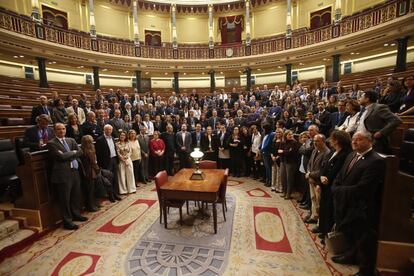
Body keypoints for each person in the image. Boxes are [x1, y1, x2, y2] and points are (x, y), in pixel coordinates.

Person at [331, 131, 386, 276]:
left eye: (359, 139)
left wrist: (338, 190)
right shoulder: (351, 155)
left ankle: (366, 270)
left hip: (362, 207)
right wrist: (335, 186)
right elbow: (340, 175)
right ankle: (350, 255)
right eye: (353, 139)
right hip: (347, 202)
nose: (354, 142)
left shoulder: (375, 161)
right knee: (350, 234)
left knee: (364, 240)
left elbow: (363, 188)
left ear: (369, 142)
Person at [47, 123, 87, 230]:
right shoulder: (51, 143)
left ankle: (76, 214)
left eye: (63, 129)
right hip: (62, 174)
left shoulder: (71, 140)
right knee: (65, 199)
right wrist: (73, 152)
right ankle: (67, 221)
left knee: (75, 195)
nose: (62, 131)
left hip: (74, 171)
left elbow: (81, 152)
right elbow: (60, 157)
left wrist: (69, 154)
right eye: (59, 129)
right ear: (54, 131)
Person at [317, 130, 352, 243]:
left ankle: (328, 234)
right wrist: (321, 176)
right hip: (324, 184)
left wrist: (327, 179)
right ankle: (322, 230)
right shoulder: (333, 151)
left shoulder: (345, 154)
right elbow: (324, 165)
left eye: (332, 139)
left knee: (330, 211)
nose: (330, 141)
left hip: (332, 186)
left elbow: (339, 171)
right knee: (323, 208)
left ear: (337, 140)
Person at [304, 134, 331, 224]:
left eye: (317, 141)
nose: (315, 143)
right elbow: (309, 163)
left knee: (319, 201)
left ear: (323, 141)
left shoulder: (327, 153)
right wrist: (308, 172)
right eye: (314, 141)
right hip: (311, 179)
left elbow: (322, 170)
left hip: (319, 181)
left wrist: (310, 174)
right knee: (313, 198)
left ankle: (320, 222)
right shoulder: (315, 150)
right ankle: (314, 216)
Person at [95, 124, 122, 202]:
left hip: (114, 160)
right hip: (106, 162)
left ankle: (116, 194)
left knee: (115, 178)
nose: (108, 131)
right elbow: (98, 153)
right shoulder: (99, 139)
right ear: (104, 130)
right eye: (107, 129)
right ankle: (111, 196)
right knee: (108, 180)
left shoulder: (113, 138)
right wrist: (101, 165)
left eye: (110, 130)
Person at [80, 135, 100, 212]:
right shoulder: (89, 150)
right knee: (91, 190)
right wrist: (98, 169)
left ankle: (91, 205)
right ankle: (91, 206)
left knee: (88, 190)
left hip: (85, 171)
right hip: (90, 171)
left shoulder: (82, 148)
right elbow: (93, 162)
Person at [279, 130, 300, 199]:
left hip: (291, 163)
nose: (291, 135)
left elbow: (292, 153)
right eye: (289, 134)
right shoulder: (283, 142)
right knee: (283, 178)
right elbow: (279, 151)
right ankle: (284, 192)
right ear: (285, 135)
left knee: (289, 179)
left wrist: (284, 152)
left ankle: (288, 193)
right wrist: (286, 152)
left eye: (291, 134)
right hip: (283, 161)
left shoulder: (294, 143)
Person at [270, 128, 284, 193]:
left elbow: (282, 151)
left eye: (279, 132)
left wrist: (277, 157)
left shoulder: (283, 141)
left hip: (279, 159)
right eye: (277, 132)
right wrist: (272, 156)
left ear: (282, 133)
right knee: (273, 172)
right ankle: (273, 186)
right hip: (273, 158)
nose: (278, 133)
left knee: (279, 174)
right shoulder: (274, 140)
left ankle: (279, 187)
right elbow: (271, 150)